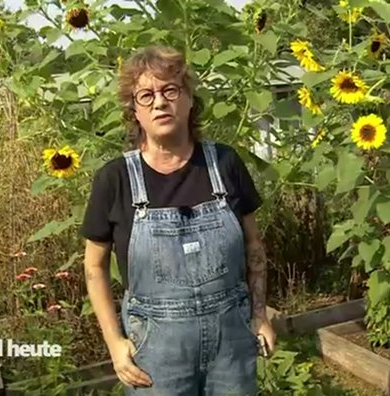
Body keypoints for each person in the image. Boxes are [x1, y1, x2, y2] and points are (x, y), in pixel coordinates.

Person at [80, 45, 276, 396]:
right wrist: (114, 342)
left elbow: (254, 246)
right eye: (146, 95)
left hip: (231, 346)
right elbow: (94, 268)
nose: (159, 102)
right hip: (155, 354)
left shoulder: (225, 164)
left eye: (170, 89)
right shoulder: (115, 180)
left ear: (188, 99)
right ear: (134, 111)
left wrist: (260, 316)